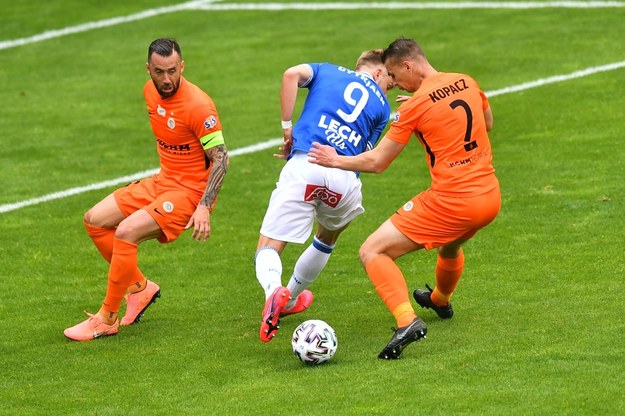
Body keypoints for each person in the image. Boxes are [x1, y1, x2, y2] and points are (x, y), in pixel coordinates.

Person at [308, 37, 500, 359]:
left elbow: (377, 162)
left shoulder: (413, 107)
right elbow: (488, 122)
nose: (396, 85)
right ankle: (439, 299)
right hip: (489, 197)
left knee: (373, 251)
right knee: (450, 244)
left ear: (408, 65)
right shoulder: (466, 80)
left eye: (396, 77)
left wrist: (334, 160)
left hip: (453, 200)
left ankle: (407, 321)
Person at [64, 38, 229, 341]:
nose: (166, 79)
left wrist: (205, 205)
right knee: (95, 220)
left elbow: (221, 158)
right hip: (163, 182)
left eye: (171, 71)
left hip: (189, 194)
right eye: (158, 71)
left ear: (182, 67)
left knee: (126, 231)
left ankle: (107, 318)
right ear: (148, 69)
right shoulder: (149, 91)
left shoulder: (198, 106)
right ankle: (139, 288)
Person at [255, 50, 394, 342]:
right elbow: (365, 156)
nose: (388, 89)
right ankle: (290, 298)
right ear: (378, 72)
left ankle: (273, 293)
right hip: (344, 180)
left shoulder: (327, 70)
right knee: (327, 237)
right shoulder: (382, 108)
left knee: (269, 243)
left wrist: (287, 129)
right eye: (389, 82)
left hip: (307, 163)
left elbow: (290, 74)